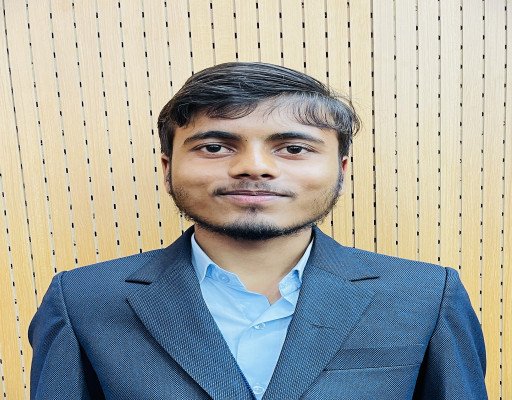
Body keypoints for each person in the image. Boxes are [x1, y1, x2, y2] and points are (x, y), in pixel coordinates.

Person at [29, 62, 487, 400]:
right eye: (214, 147)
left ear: (342, 169)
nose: (253, 167)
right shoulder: (83, 300)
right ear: (167, 168)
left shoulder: (426, 295)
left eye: (293, 148)